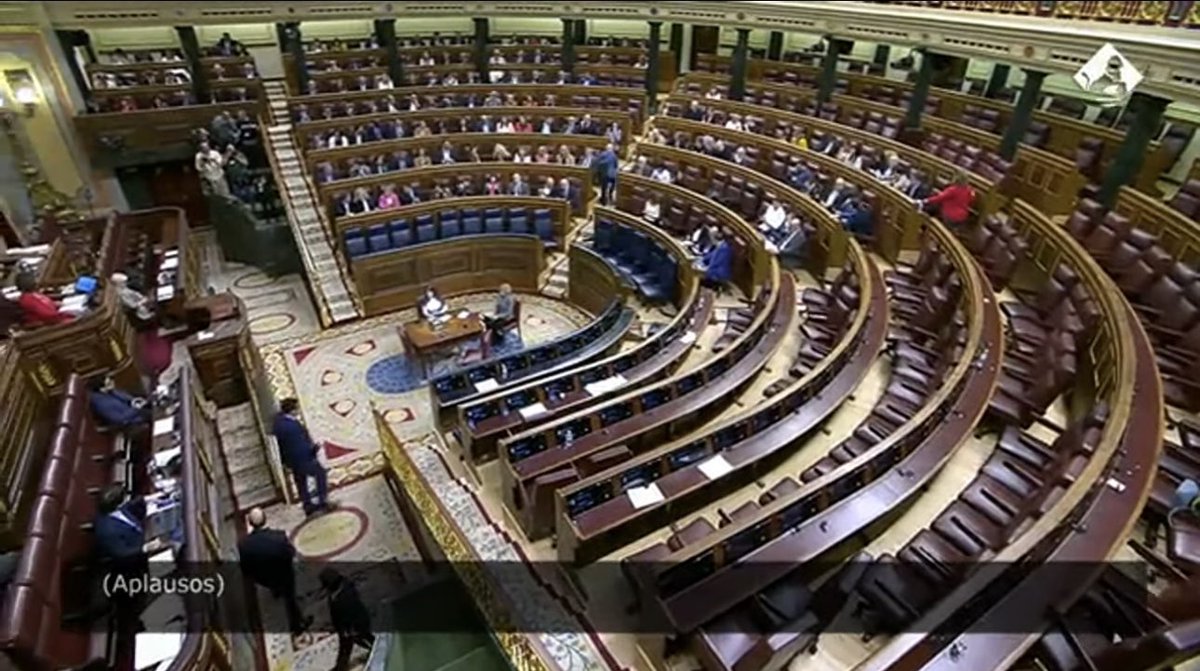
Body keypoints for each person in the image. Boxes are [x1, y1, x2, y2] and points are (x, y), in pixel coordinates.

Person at [238, 508, 312, 637]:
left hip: (263, 578)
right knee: (290, 599)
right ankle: (297, 625)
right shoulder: (279, 537)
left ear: (250, 523)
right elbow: (290, 554)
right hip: (284, 575)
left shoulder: (243, 544)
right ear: (265, 520)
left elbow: (245, 567)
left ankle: (276, 590)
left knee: (274, 580)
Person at [273, 398, 334, 517]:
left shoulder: (279, 422)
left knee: (301, 483)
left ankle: (307, 505)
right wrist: (314, 450)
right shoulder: (293, 427)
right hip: (302, 459)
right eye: (296, 409)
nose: (298, 411)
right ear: (292, 411)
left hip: (292, 461)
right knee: (320, 473)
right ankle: (322, 502)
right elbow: (299, 446)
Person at [320, 568, 375, 671]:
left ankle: (341, 667)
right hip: (348, 626)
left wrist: (348, 630)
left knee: (351, 644)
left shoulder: (345, 597)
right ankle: (341, 666)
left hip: (353, 625)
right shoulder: (339, 591)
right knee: (349, 645)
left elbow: (351, 612)